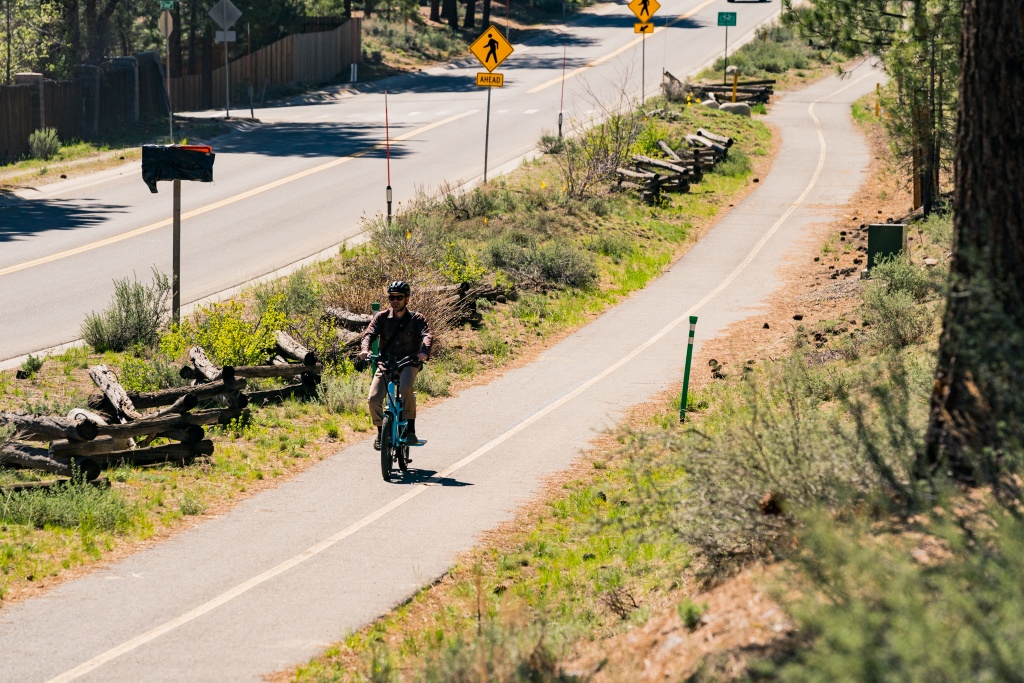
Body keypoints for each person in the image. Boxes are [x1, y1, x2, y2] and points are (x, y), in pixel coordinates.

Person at [358, 281, 432, 449]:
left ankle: (411, 430)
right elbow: (369, 334)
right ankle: (380, 432)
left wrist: (423, 352)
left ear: (407, 299)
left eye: (399, 297)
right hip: (386, 363)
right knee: (373, 399)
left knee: (405, 387)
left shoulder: (417, 318)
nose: (395, 301)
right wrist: (365, 349)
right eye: (392, 297)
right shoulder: (382, 317)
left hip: (409, 362)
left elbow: (427, 334)